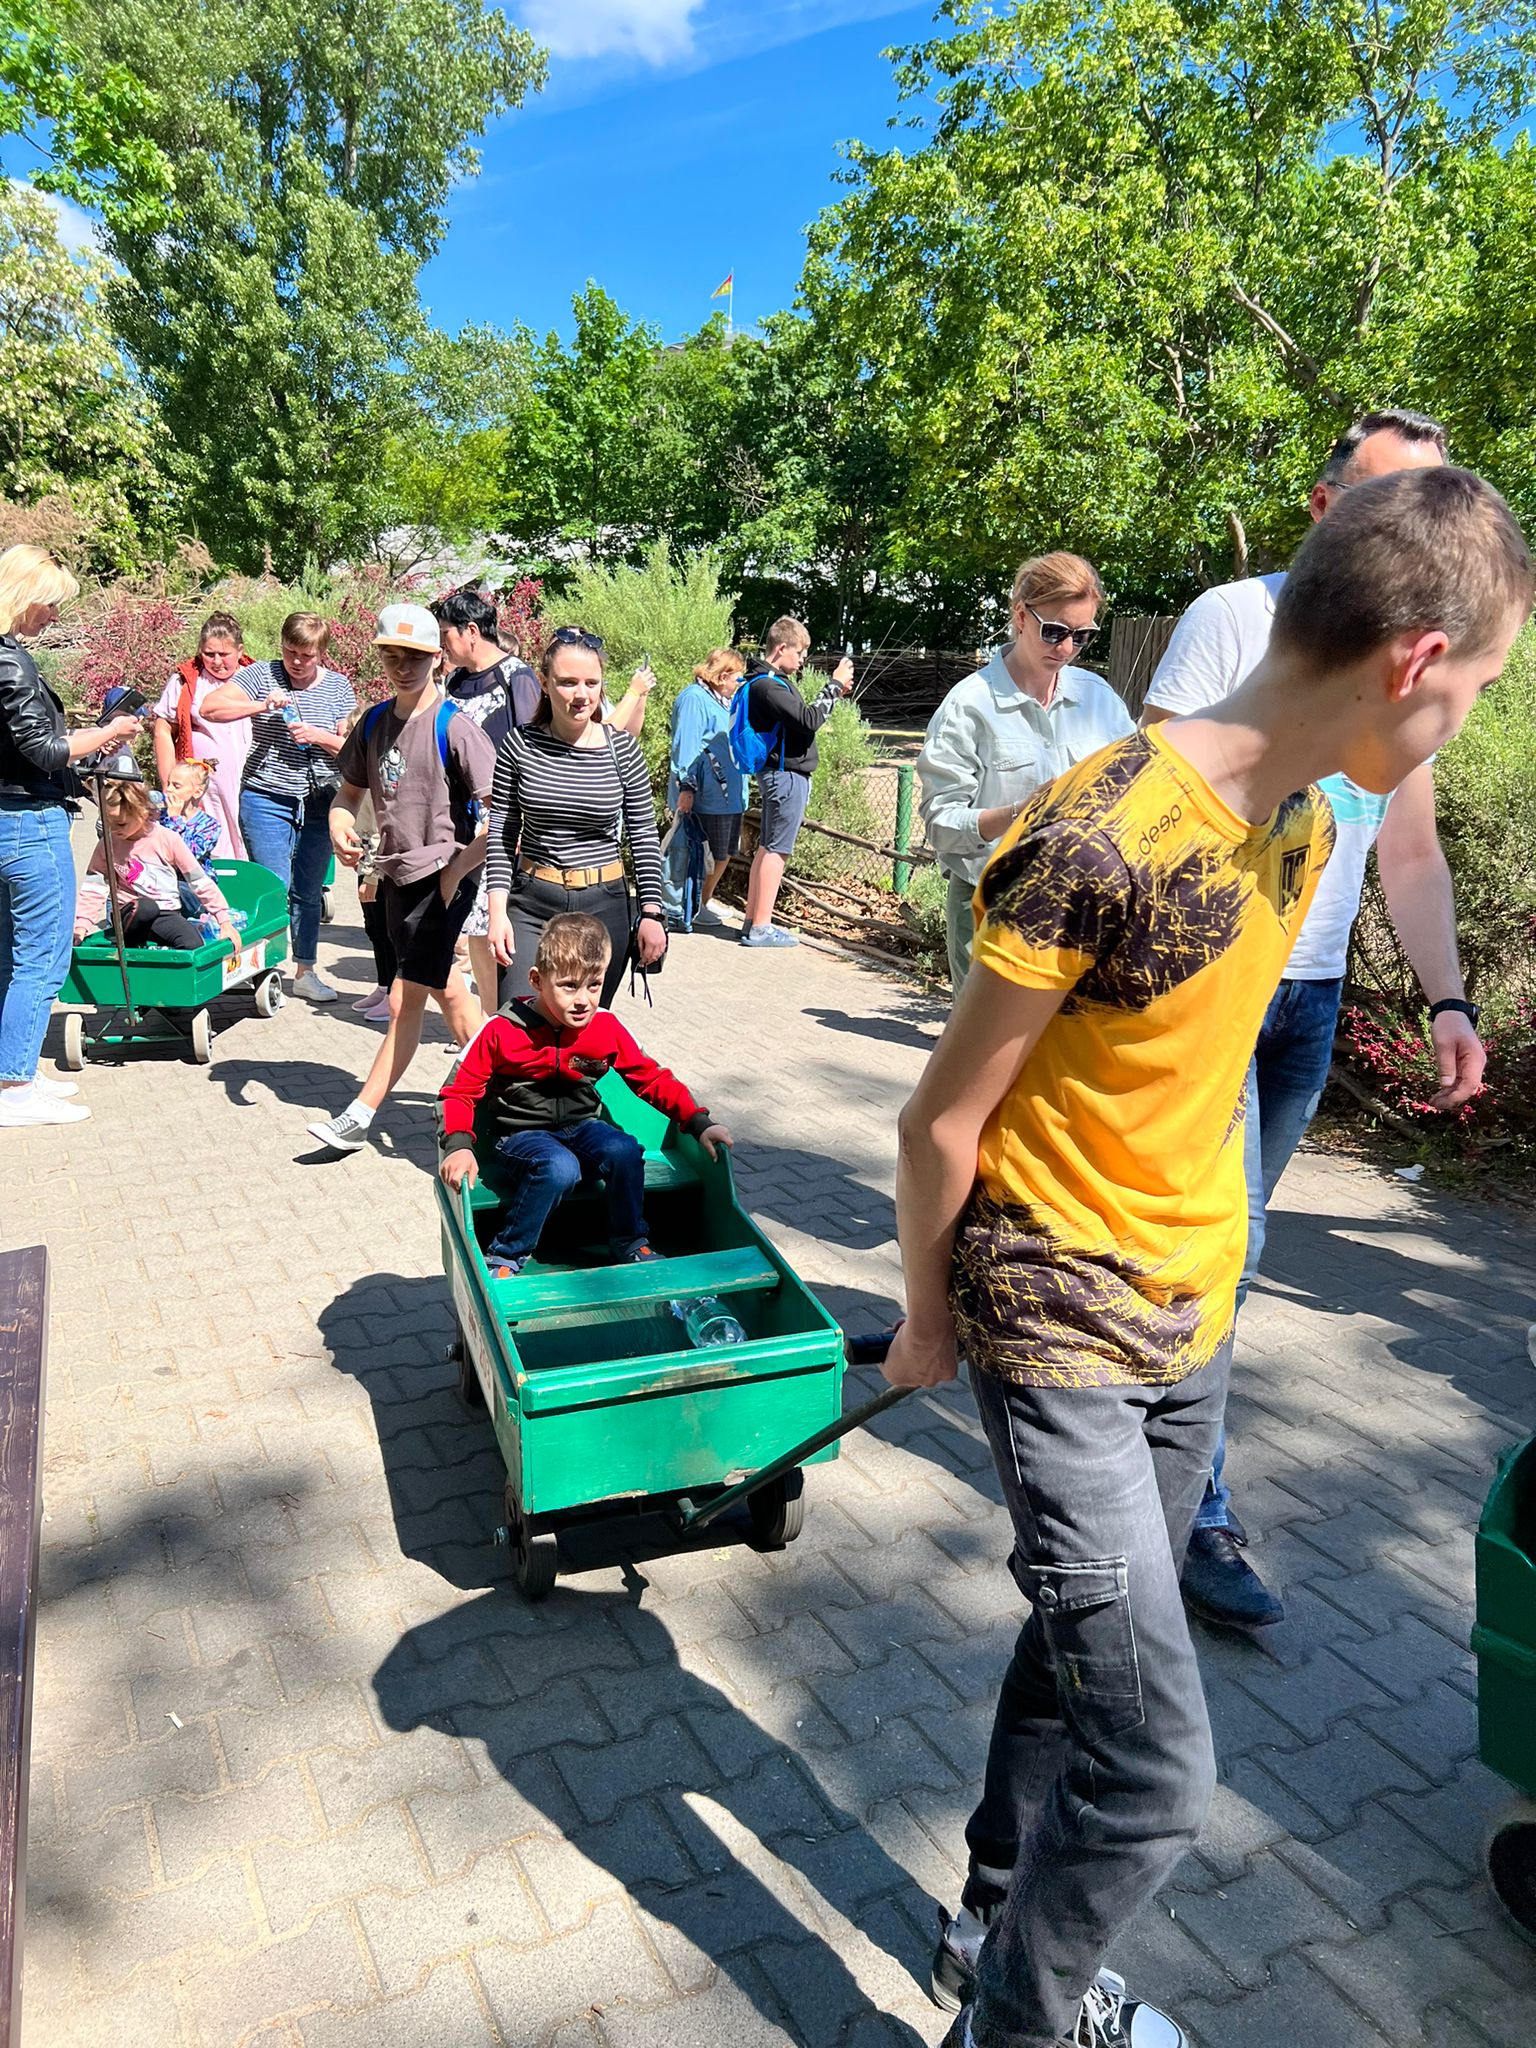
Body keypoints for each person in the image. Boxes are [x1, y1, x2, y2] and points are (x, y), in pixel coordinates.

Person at [883, 466, 1531, 2048]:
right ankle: (1019, 2026)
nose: (1466, 724)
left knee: (1081, 1659)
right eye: (1479, 691)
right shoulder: (1096, 837)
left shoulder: (1303, 818)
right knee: (1161, 1772)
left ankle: (991, 1921)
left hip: (1195, 1318)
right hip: (1058, 1327)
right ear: (1414, 663)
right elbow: (938, 1121)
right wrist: (925, 1320)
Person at [1141, 406, 1480, 1629]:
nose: (1415, 529)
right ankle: (1189, 1509)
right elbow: (1156, 796)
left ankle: (1128, 1424)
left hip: (1313, 995)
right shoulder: (1236, 617)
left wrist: (1449, 997)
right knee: (1228, 1248)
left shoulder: (1412, 657)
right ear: (1329, 507)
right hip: (1218, 984)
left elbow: (1411, 846)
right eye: (1393, 500)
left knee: (1222, 1251)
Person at [438, 912, 733, 1272]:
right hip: (520, 1136)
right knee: (559, 1166)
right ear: (537, 980)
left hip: (581, 1127)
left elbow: (651, 1079)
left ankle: (630, 1241)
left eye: (594, 985)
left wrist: (698, 1122)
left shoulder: (605, 1027)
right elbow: (458, 1091)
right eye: (568, 986)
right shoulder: (501, 1030)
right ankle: (506, 1253)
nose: (583, 1000)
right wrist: (458, 1145)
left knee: (625, 1150)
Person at [306, 604, 496, 1155]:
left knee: (404, 1000)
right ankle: (501, 1091)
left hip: (443, 881)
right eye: (392, 656)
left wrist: (457, 870)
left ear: (438, 659)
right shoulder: (372, 723)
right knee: (447, 992)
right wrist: (340, 825)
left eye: (414, 656)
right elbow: (348, 795)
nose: (402, 666)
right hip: (396, 878)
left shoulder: (455, 727)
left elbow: (502, 817)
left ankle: (360, 1115)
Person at [917, 555, 1134, 991]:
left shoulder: (1100, 700)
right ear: (1020, 616)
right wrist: (1022, 812)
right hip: (992, 905)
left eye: (1082, 636)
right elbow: (941, 824)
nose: (1067, 648)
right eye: (1055, 631)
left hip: (1082, 909)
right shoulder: (969, 705)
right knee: (987, 1037)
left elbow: (1135, 787)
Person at [0, 545, 142, 1129]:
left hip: (9, 816)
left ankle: (14, 1070)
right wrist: (108, 732)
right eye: (51, 604)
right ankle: (15, 1087)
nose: (55, 616)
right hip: (29, 824)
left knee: (11, 956)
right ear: (25, 595)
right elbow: (44, 749)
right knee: (41, 957)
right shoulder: (12, 662)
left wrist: (86, 748)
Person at [485, 627, 667, 1008]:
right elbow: (502, 832)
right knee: (517, 1021)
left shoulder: (622, 750)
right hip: (532, 904)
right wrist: (497, 912)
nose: (581, 694)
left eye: (591, 683)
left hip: (604, 906)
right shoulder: (519, 744)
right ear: (545, 683)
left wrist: (652, 913)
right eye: (567, 682)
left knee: (583, 1031)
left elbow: (643, 835)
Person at [200, 611, 356, 1003]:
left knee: (309, 889)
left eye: (307, 655)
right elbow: (210, 708)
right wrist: (261, 706)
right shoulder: (261, 675)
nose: (297, 662)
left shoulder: (338, 687)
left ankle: (305, 971)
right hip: (266, 796)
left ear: (321, 653)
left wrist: (318, 736)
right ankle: (264, 969)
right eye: (290, 652)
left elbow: (351, 749)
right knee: (273, 885)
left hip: (321, 798)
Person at [437, 588, 540, 1016]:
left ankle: (505, 1017)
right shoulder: (455, 681)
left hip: (504, 816)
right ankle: (485, 1019)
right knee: (474, 929)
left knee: (496, 924)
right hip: (462, 815)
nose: (442, 643)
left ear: (471, 631)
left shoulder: (517, 677)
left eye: (446, 633)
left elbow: (534, 750)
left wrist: (517, 815)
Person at [738, 618, 854, 948]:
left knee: (767, 847)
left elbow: (802, 718)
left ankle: (752, 921)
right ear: (782, 648)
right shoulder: (768, 686)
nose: (803, 659)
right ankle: (761, 927)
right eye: (800, 652)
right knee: (777, 851)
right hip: (786, 777)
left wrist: (834, 692)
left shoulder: (765, 683)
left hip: (780, 776)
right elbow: (809, 720)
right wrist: (833, 685)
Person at [74, 779, 240, 952]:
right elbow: (94, 888)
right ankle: (128, 946)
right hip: (131, 915)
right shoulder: (108, 844)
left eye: (121, 824)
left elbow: (198, 880)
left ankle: (161, 963)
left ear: (142, 813)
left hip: (166, 913)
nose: (114, 829)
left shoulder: (167, 839)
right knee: (146, 907)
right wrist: (81, 926)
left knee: (193, 944)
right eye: (109, 823)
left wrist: (223, 920)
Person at [150, 611, 252, 857]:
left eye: (224, 654)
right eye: (209, 654)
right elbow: (163, 729)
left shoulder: (255, 676)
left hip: (250, 781)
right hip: (204, 786)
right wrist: (170, 784)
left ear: (240, 651)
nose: (216, 661)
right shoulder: (185, 681)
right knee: (209, 845)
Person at [666, 648, 746, 928]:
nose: (740, 684)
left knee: (723, 852)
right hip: (707, 794)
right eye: (737, 678)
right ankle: (693, 905)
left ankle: (703, 899)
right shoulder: (694, 699)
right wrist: (687, 787)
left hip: (728, 795)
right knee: (706, 852)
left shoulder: (724, 701)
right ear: (723, 676)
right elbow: (686, 746)